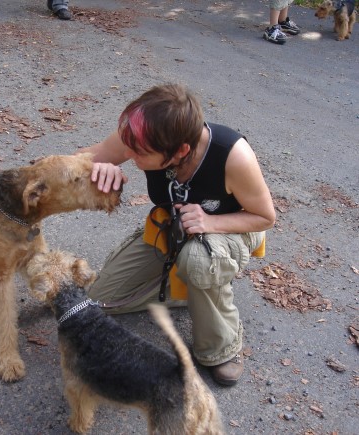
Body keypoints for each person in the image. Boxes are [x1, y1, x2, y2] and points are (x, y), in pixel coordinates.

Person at [78, 83, 275, 386]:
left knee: (197, 260)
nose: (128, 154)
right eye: (128, 146)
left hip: (229, 230)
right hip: (175, 227)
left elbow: (264, 217)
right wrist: (99, 168)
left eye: (139, 152)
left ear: (180, 150)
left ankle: (221, 346)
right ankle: (191, 290)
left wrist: (211, 223)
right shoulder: (142, 133)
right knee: (99, 300)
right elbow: (90, 157)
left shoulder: (233, 156)